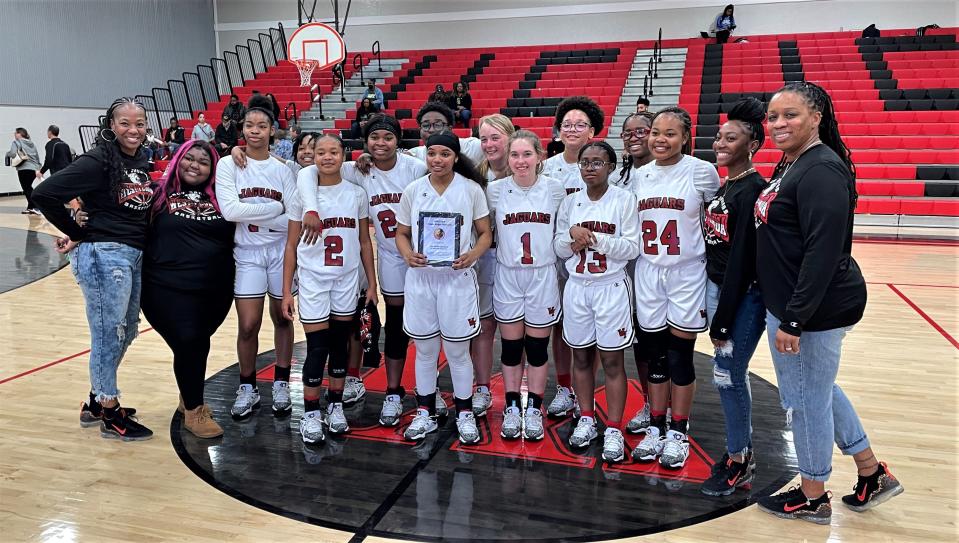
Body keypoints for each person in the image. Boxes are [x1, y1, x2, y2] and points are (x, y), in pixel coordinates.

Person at [755, 82, 903, 523]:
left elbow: (822, 253)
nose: (778, 124)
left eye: (790, 115)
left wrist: (795, 320)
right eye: (773, 116)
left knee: (806, 401)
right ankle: (870, 471)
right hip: (793, 304)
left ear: (816, 116)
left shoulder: (820, 170)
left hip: (814, 310)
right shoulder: (793, 162)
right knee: (815, 390)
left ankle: (812, 493)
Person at [32, 97, 155, 441]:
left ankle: (95, 401)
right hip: (104, 256)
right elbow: (44, 194)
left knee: (127, 330)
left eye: (140, 123)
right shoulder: (97, 159)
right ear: (111, 126)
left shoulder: (142, 159)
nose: (133, 130)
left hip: (131, 253)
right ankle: (110, 411)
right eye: (126, 123)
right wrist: (76, 232)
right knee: (107, 333)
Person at [297, 115, 429, 424]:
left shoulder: (414, 167)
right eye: (374, 137)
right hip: (391, 257)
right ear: (364, 142)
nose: (380, 142)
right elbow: (306, 173)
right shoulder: (354, 169)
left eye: (387, 137)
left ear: (399, 141)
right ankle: (393, 393)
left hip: (424, 255)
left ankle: (428, 392)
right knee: (396, 326)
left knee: (427, 328)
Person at [631, 106, 721, 469]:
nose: (660, 139)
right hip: (648, 271)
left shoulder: (702, 172)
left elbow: (717, 225)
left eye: (670, 133)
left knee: (680, 355)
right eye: (655, 132)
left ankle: (679, 431)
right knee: (654, 355)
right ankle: (656, 426)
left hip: (686, 272)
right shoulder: (639, 176)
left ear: (686, 137)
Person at [395, 132, 493, 444]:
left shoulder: (471, 189)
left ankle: (464, 414)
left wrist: (472, 255)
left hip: (456, 279)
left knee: (457, 351)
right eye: (432, 154)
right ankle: (425, 412)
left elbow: (485, 234)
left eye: (444, 154)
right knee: (425, 350)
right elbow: (401, 233)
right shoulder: (413, 190)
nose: (437, 160)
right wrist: (407, 253)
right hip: (422, 280)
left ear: (455, 157)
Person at [282, 134, 378, 443]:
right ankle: (310, 412)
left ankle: (334, 407)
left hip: (347, 279)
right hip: (313, 280)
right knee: (317, 348)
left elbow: (364, 242)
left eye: (333, 151)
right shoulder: (303, 195)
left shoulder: (356, 194)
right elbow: (291, 245)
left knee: (340, 346)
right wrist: (287, 290)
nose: (326, 157)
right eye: (320, 152)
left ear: (343, 155)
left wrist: (372, 285)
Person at [140, 139, 234, 438]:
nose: (195, 165)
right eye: (189, 158)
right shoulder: (157, 194)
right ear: (178, 159)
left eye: (203, 161)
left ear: (213, 168)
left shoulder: (223, 196)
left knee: (196, 343)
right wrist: (79, 232)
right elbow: (120, 222)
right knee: (190, 340)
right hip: (165, 287)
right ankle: (195, 411)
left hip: (214, 288)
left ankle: (188, 396)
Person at [553, 141, 640, 463]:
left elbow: (632, 248)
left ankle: (614, 427)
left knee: (614, 362)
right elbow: (558, 249)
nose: (590, 167)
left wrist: (594, 239)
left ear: (611, 167)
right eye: (585, 162)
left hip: (610, 287)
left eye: (597, 162)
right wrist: (571, 241)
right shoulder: (570, 202)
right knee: (581, 358)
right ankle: (586, 417)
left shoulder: (624, 200)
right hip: (577, 287)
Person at [699, 97, 768, 496]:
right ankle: (740, 453)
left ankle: (740, 459)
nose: (721, 143)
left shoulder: (754, 190)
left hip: (741, 296)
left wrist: (723, 317)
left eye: (732, 138)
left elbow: (743, 261)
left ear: (752, 144)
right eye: (720, 136)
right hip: (719, 290)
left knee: (727, 375)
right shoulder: (728, 185)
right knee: (725, 375)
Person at [215, 95, 298, 423]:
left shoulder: (284, 170)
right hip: (247, 254)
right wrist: (275, 209)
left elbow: (293, 218)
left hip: (280, 252)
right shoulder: (228, 164)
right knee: (248, 325)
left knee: (282, 319)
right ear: (242, 128)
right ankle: (247, 387)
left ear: (272, 131)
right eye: (249, 125)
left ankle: (280, 382)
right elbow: (230, 210)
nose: (255, 131)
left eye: (262, 126)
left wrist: (257, 216)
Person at [487, 130, 565, 440]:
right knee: (510, 347)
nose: (521, 161)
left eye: (527, 154)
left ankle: (533, 407)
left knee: (536, 348)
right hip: (508, 274)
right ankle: (511, 406)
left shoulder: (555, 190)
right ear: (507, 158)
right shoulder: (494, 190)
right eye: (515, 155)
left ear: (540, 157)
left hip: (542, 275)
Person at [541, 95, 605, 420]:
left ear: (592, 131)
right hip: (558, 260)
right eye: (567, 124)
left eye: (580, 124)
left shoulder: (602, 166)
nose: (572, 129)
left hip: (593, 263)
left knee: (588, 329)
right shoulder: (547, 169)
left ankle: (585, 392)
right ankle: (565, 388)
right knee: (560, 328)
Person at [469, 114, 517, 417]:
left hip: (518, 264)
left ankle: (516, 395)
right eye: (484, 138)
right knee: (484, 329)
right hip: (486, 260)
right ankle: (482, 388)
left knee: (517, 333)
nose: (489, 144)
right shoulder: (475, 177)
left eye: (495, 137)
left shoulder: (528, 172)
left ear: (510, 137)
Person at [612, 110, 656, 434]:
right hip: (629, 270)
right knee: (641, 343)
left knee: (664, 345)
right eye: (629, 132)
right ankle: (651, 405)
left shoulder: (673, 174)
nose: (635, 136)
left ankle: (671, 412)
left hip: (663, 269)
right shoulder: (619, 179)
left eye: (643, 130)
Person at [409, 102, 484, 165]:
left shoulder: (472, 148)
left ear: (450, 129)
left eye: (438, 125)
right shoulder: (413, 156)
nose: (431, 130)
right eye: (426, 125)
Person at [7, 128, 42, 214]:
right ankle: (31, 207)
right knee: (28, 187)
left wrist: (7, 154)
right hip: (33, 169)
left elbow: (12, 153)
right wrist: (38, 168)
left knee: (26, 188)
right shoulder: (31, 143)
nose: (14, 135)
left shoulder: (17, 142)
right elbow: (37, 156)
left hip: (24, 169)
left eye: (15, 133)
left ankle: (36, 207)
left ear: (19, 134)